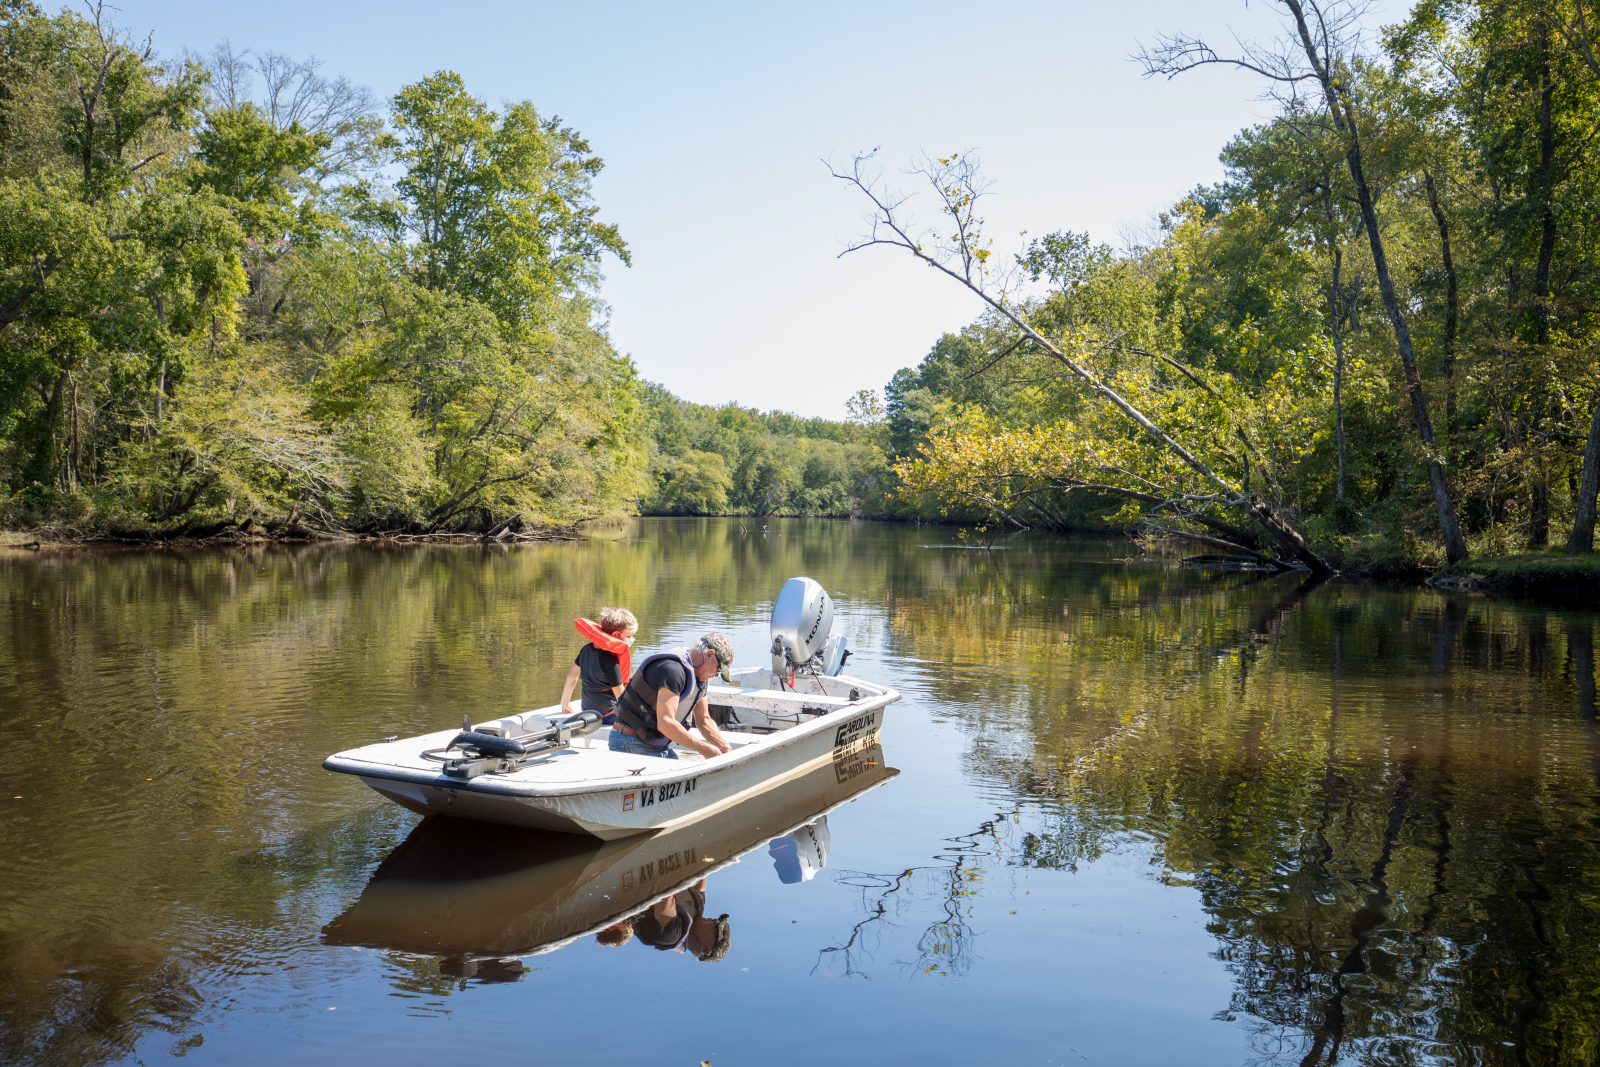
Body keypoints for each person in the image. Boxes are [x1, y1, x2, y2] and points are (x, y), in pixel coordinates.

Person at [608, 632, 735, 759]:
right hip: (629, 742)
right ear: (709, 654)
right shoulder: (672, 671)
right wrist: (704, 749)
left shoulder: (700, 676)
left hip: (657, 745)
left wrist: (724, 747)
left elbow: (704, 720)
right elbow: (665, 723)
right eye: (718, 670)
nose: (716, 675)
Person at [560, 607, 638, 726]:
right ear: (616, 634)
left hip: (587, 711)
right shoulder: (610, 662)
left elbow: (572, 677)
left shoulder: (586, 650)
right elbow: (620, 697)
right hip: (607, 716)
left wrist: (565, 703)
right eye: (629, 636)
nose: (631, 639)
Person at [630, 879, 731, 963]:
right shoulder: (698, 906)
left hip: (633, 883)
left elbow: (664, 893)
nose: (714, 919)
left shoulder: (671, 936)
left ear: (707, 949)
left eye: (716, 925)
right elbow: (702, 872)